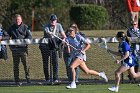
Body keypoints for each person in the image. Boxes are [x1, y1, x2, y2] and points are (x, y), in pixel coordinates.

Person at [39, 14, 66, 83]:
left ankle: (55, 78)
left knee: (55, 63)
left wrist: (64, 39)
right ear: (50, 21)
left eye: (54, 20)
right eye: (52, 20)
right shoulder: (46, 26)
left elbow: (64, 35)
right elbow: (49, 34)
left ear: (56, 20)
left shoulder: (59, 25)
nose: (53, 22)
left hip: (54, 46)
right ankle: (47, 79)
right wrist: (52, 32)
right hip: (46, 46)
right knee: (45, 63)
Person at [7, 14, 32, 86]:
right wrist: (11, 47)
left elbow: (29, 36)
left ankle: (28, 79)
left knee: (26, 65)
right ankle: (16, 80)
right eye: (16, 19)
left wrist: (25, 42)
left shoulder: (25, 27)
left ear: (21, 20)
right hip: (15, 50)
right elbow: (7, 36)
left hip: (23, 49)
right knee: (16, 66)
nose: (17, 21)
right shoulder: (11, 28)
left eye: (18, 19)